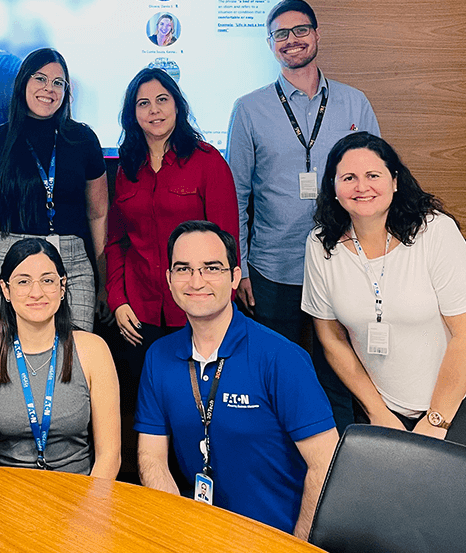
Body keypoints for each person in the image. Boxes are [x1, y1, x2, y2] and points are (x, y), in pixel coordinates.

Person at [226, 0, 380, 431]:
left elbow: (379, 183)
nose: (292, 40)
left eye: (300, 30)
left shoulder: (354, 104)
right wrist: (240, 269)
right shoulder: (249, 108)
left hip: (345, 262)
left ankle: (344, 464)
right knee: (278, 374)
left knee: (343, 373)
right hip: (274, 267)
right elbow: (235, 193)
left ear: (316, 34)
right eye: (281, 34)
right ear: (270, 44)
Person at [302, 133, 466, 451]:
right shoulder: (321, 244)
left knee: (442, 489)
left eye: (373, 175)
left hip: (465, 394)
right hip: (385, 400)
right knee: (392, 494)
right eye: (349, 177)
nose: (361, 187)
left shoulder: (434, 232)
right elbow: (331, 339)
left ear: (395, 181)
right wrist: (378, 411)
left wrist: (436, 419)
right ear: (333, 185)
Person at [136, 221, 338, 539]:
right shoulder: (159, 357)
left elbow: (325, 464)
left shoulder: (281, 358)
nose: (196, 281)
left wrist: (296, 547)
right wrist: (176, 533)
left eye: (211, 268)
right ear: (170, 280)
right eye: (183, 269)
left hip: (276, 538)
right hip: (199, 536)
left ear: (234, 277)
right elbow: (151, 458)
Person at [106, 67, 239, 401]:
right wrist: (118, 300)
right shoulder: (127, 168)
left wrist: (218, 313)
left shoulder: (208, 162)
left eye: (162, 100)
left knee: (195, 407)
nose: (154, 110)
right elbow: (116, 242)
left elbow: (227, 246)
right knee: (146, 407)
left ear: (177, 106)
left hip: (196, 311)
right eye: (144, 103)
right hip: (139, 314)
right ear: (132, 114)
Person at [0, 48, 108, 336]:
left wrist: (105, 284)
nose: (48, 89)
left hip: (72, 262)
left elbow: (99, 214)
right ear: (23, 83)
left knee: (77, 361)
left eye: (58, 83)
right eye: (40, 78)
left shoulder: (83, 140)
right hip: (8, 261)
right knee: (9, 368)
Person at [0, 238, 121, 477]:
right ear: (5, 289)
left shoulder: (93, 350)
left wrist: (88, 510)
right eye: (23, 282)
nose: (36, 293)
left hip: (79, 495)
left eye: (47, 281)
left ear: (63, 286)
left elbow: (110, 456)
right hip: (8, 496)